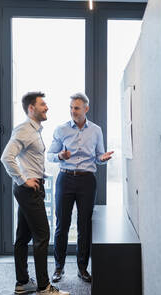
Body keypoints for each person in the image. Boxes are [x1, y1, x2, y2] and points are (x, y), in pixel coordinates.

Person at [1, 91, 69, 295]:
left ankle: (22, 283)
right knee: (42, 236)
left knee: (23, 237)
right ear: (31, 108)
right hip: (29, 190)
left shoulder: (35, 130)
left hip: (29, 188)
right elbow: (6, 157)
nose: (47, 107)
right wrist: (24, 180)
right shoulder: (24, 130)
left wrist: (39, 175)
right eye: (43, 104)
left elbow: (29, 159)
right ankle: (43, 287)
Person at [47, 92, 113, 283]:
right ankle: (58, 268)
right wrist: (61, 156)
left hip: (87, 181)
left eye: (76, 108)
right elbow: (50, 155)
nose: (73, 111)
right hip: (65, 179)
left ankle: (82, 268)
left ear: (86, 109)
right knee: (62, 225)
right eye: (71, 108)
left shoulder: (96, 130)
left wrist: (103, 159)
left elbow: (99, 156)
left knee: (84, 225)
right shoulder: (61, 130)